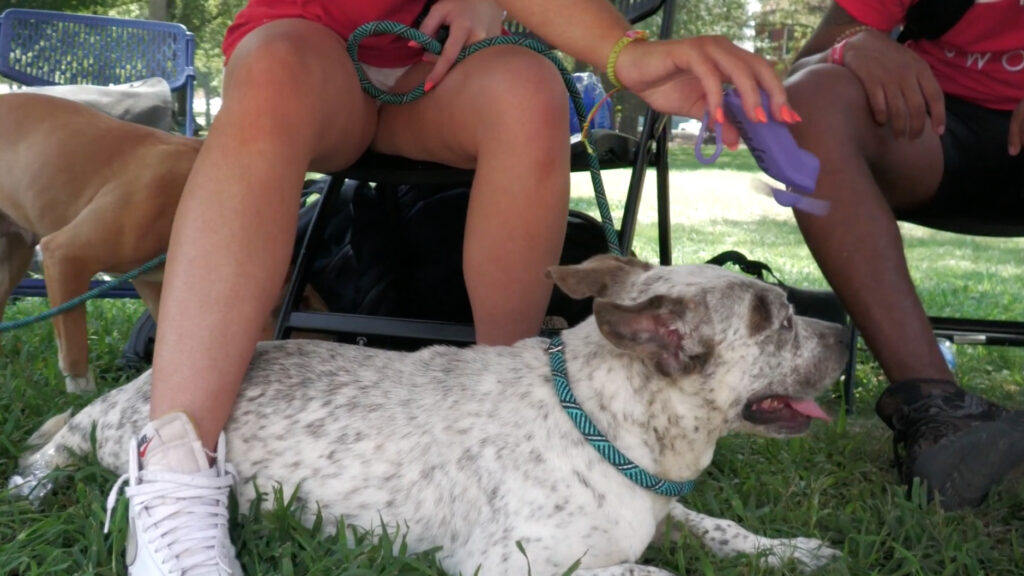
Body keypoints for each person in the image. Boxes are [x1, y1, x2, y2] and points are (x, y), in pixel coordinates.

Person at [106, 0, 798, 573]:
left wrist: (619, 50)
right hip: (307, 44)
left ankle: (528, 424)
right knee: (276, 68)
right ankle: (174, 477)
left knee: (528, 89)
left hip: (434, 62)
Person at [784, 0, 1024, 510]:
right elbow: (802, 68)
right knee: (810, 97)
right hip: (930, 131)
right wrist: (852, 46)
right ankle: (939, 414)